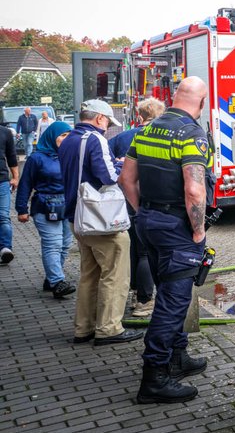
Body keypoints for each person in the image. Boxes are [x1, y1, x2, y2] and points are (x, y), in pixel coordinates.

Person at [117, 77, 211, 403]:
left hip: (147, 223)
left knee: (171, 294)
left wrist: (143, 210)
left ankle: (177, 357)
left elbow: (126, 179)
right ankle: (154, 378)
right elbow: (194, 189)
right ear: (201, 102)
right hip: (176, 229)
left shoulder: (145, 130)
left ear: (175, 97)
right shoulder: (192, 134)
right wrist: (198, 231)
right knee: (172, 304)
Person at [59, 99, 141, 346]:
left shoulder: (68, 140)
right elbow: (108, 176)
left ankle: (84, 327)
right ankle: (109, 328)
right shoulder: (95, 139)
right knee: (115, 274)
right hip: (99, 220)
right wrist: (123, 168)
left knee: (89, 274)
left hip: (77, 217)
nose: (107, 127)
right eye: (107, 122)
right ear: (99, 118)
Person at [111, 98, 167, 318]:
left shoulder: (122, 138)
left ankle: (134, 293)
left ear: (140, 116)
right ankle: (145, 300)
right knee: (146, 252)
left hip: (127, 202)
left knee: (134, 248)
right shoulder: (163, 137)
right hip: (152, 201)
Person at [15, 121, 75, 297]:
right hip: (45, 207)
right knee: (53, 244)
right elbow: (25, 184)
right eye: (63, 135)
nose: (66, 139)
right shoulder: (37, 158)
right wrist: (21, 209)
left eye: (69, 135)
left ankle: (51, 279)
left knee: (65, 245)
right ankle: (57, 282)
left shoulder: (71, 156)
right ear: (51, 136)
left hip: (67, 207)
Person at [0, 117, 18, 265]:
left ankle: (5, 248)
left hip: (2, 181)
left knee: (3, 216)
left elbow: (12, 156)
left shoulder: (5, 133)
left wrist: (15, 177)